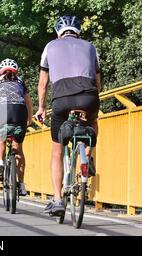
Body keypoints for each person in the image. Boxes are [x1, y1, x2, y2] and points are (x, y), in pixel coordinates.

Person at [35, 15, 101, 216]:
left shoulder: (50, 46)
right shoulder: (91, 47)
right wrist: (91, 103)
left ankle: (57, 199)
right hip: (89, 98)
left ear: (58, 31)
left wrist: (41, 108)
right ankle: (87, 157)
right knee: (93, 122)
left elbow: (43, 84)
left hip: (62, 100)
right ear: (78, 31)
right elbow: (98, 83)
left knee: (57, 150)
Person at [0, 58, 33, 196]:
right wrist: (29, 119)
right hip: (19, 115)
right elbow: (28, 101)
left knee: (0, 138)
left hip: (4, 114)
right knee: (18, 150)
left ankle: (0, 162)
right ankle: (21, 184)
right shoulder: (21, 82)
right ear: (16, 70)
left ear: (1, 70)